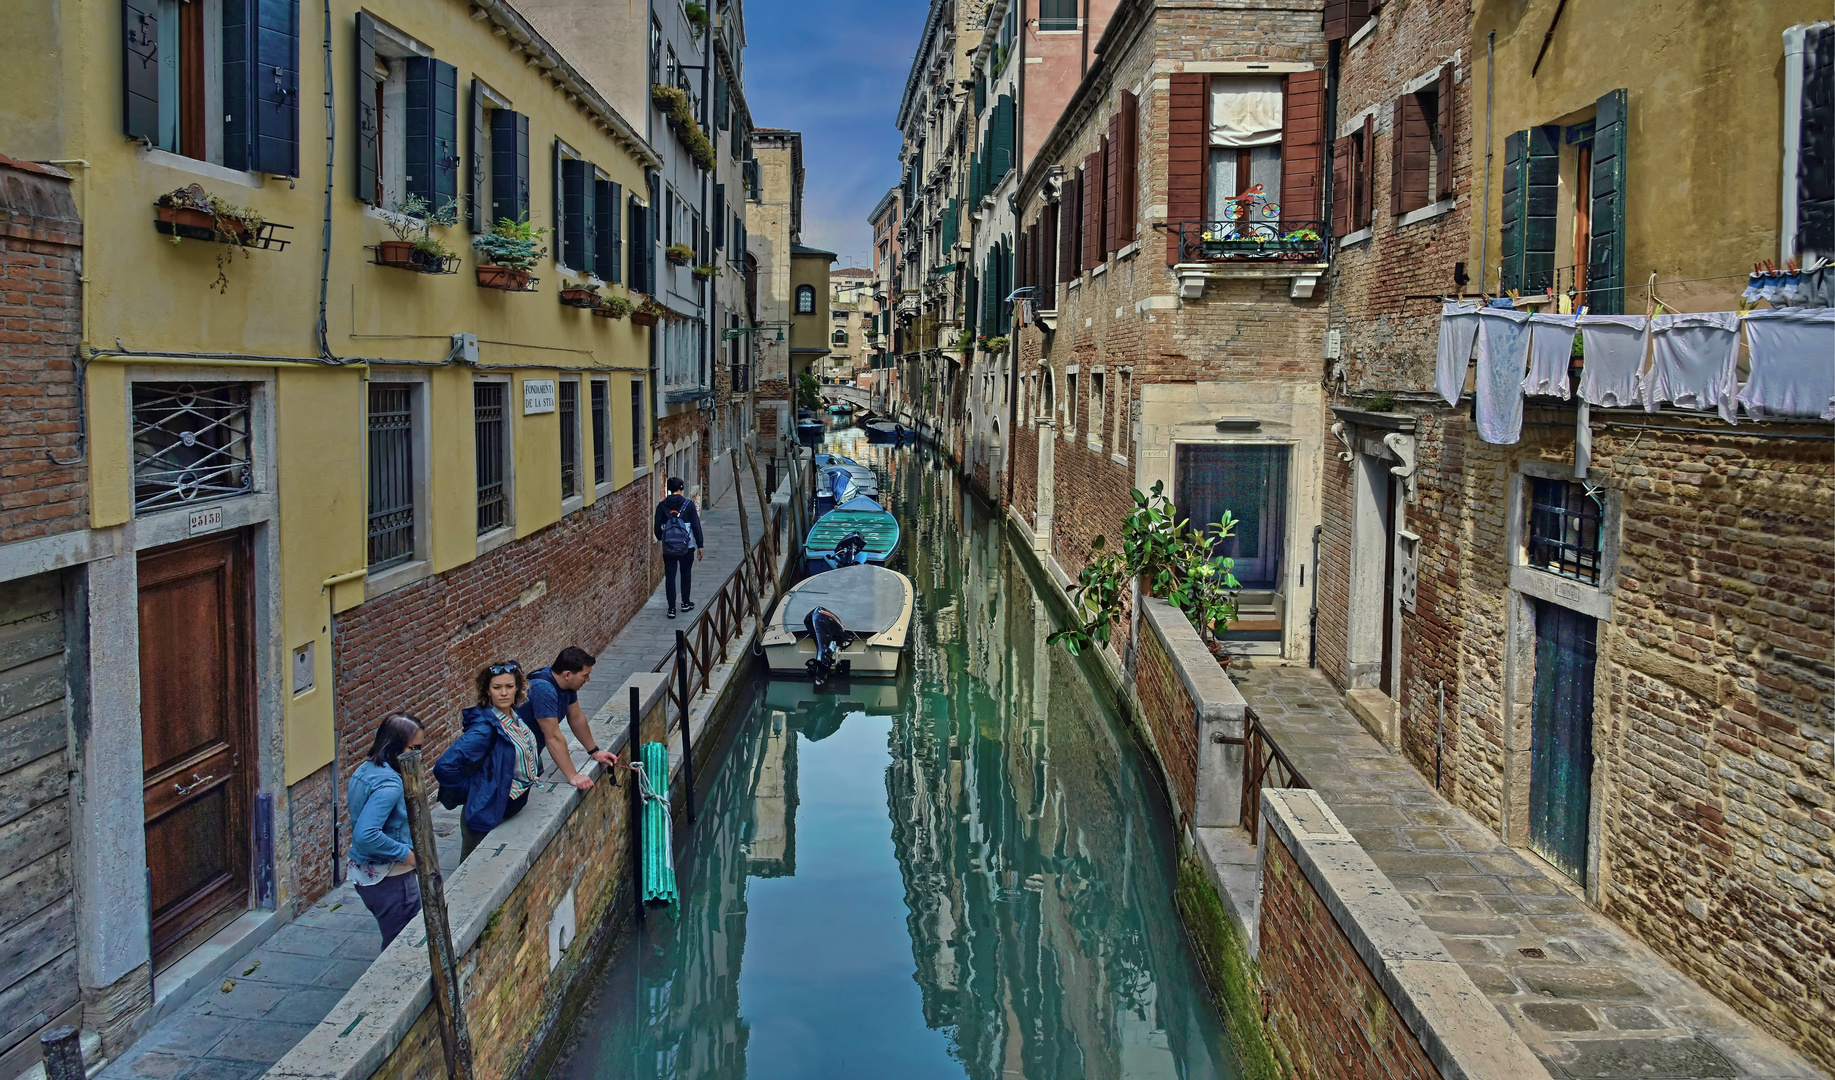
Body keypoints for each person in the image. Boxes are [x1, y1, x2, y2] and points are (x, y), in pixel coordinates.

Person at [434, 662, 543, 861]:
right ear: (487, 690)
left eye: (509, 687)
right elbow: (444, 767)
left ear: (517, 688)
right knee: (471, 872)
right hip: (485, 813)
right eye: (497, 687)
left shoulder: (511, 716)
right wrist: (477, 789)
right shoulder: (484, 729)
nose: (503, 693)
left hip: (505, 808)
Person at [347, 713, 425, 948]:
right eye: (414, 748)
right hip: (391, 879)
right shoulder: (390, 785)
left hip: (366, 874)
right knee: (401, 946)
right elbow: (366, 834)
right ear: (394, 746)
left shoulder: (365, 769)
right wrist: (408, 855)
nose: (418, 755)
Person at [519, 646, 617, 791]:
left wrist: (595, 752)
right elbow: (553, 737)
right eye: (585, 675)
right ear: (568, 674)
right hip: (515, 755)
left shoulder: (565, 684)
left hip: (531, 750)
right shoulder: (544, 690)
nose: (588, 679)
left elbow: (576, 718)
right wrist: (573, 776)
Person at [654, 476, 705, 619]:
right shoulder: (688, 505)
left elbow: (657, 529)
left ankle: (671, 609)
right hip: (686, 547)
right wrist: (700, 544)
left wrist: (663, 539)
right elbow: (696, 526)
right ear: (681, 489)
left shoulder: (661, 506)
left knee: (670, 576)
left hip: (669, 548)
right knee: (685, 573)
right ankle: (685, 603)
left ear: (669, 489)